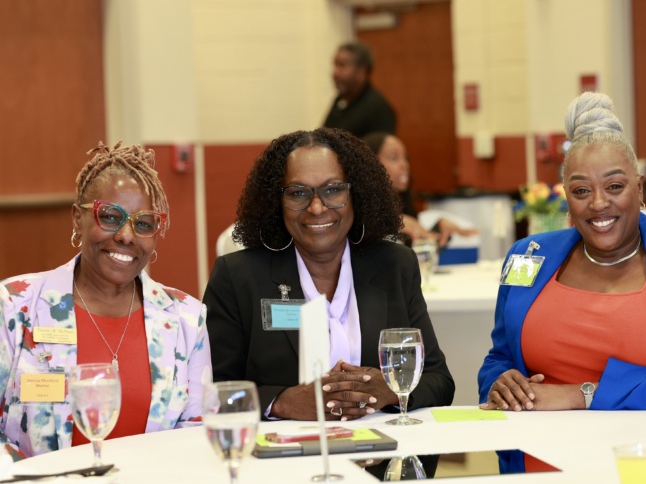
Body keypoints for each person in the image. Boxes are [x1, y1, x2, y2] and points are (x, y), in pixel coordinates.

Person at [478, 92, 646, 411]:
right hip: (534, 448)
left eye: (614, 187)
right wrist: (501, 385)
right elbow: (499, 358)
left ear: (638, 189)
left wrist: (580, 395)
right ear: (567, 197)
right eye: (582, 190)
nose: (598, 203)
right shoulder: (527, 255)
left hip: (645, 450)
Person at [203, 128, 454, 420]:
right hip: (281, 459)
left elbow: (439, 381)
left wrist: (388, 390)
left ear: (356, 194)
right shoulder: (238, 277)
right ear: (276, 201)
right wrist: (282, 402)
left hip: (380, 457)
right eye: (298, 193)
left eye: (333, 189)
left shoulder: (394, 266)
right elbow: (211, 392)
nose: (317, 207)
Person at [0, 142, 211, 457]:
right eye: (111, 216)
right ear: (77, 218)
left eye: (143, 223)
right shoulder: (14, 306)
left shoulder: (186, 318)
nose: (126, 235)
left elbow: (197, 433)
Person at [362, 132, 478, 248]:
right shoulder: (360, 219)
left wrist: (438, 228)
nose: (404, 165)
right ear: (370, 164)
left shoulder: (405, 214)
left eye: (406, 158)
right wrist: (390, 223)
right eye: (394, 158)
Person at [322, 41, 396, 138]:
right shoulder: (340, 101)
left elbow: (378, 149)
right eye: (335, 65)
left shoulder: (378, 108)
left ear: (362, 71)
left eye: (342, 65)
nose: (335, 73)